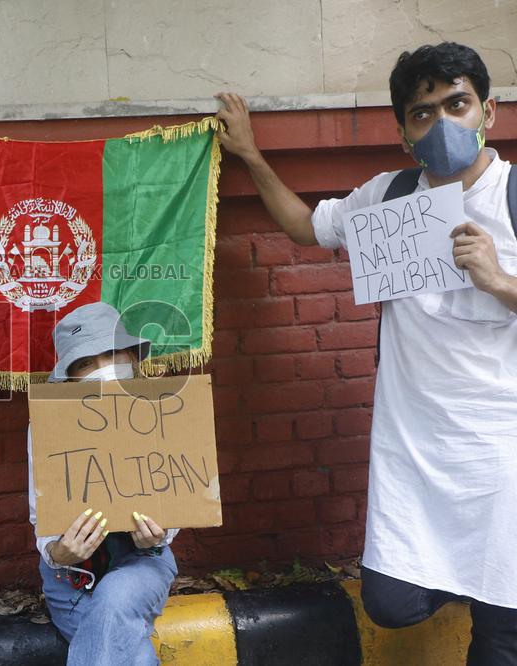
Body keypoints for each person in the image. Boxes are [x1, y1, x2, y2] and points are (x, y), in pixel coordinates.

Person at [215, 42, 517, 664]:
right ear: (404, 133)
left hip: (502, 455)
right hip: (416, 453)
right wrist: (249, 154)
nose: (442, 123)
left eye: (457, 104)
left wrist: (499, 281)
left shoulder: (513, 196)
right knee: (390, 602)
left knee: (501, 635)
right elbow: (306, 227)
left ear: (488, 111)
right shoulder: (390, 197)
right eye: (422, 113)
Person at [27, 301, 178, 666]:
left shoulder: (161, 411)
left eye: (111, 355)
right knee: (136, 658)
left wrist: (159, 534)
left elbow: (178, 497)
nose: (101, 368)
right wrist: (59, 552)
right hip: (71, 579)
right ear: (70, 376)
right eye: (85, 363)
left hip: (141, 565)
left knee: (115, 595)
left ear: (130, 357)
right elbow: (40, 516)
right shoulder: (46, 428)